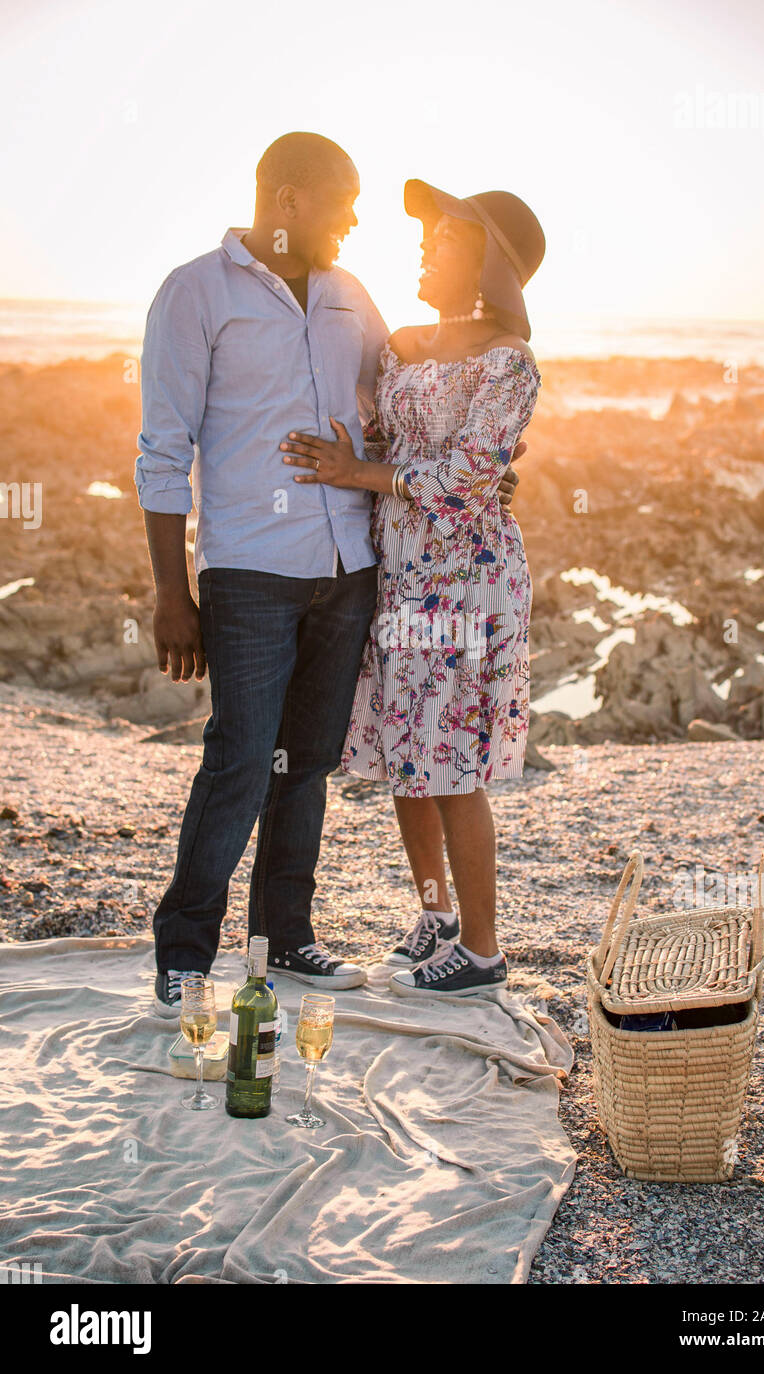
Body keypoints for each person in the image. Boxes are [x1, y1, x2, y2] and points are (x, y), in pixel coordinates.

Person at [135, 134, 521, 1016]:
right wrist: (170, 591)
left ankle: (283, 939)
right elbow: (162, 451)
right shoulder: (194, 292)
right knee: (238, 760)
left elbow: (399, 405)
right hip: (251, 571)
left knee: (302, 764)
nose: (355, 220)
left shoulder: (352, 298)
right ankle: (186, 950)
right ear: (290, 200)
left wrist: (491, 459)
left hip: (351, 568)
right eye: (344, 202)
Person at [280, 180, 545, 996]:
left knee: (452, 758)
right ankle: (434, 916)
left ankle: (484, 950)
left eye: (445, 238)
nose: (426, 248)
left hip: (466, 582)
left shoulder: (510, 362)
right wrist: (365, 459)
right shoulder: (401, 342)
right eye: (426, 237)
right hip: (399, 573)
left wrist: (364, 471)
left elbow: (468, 477)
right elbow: (396, 441)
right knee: (410, 752)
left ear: (488, 261)